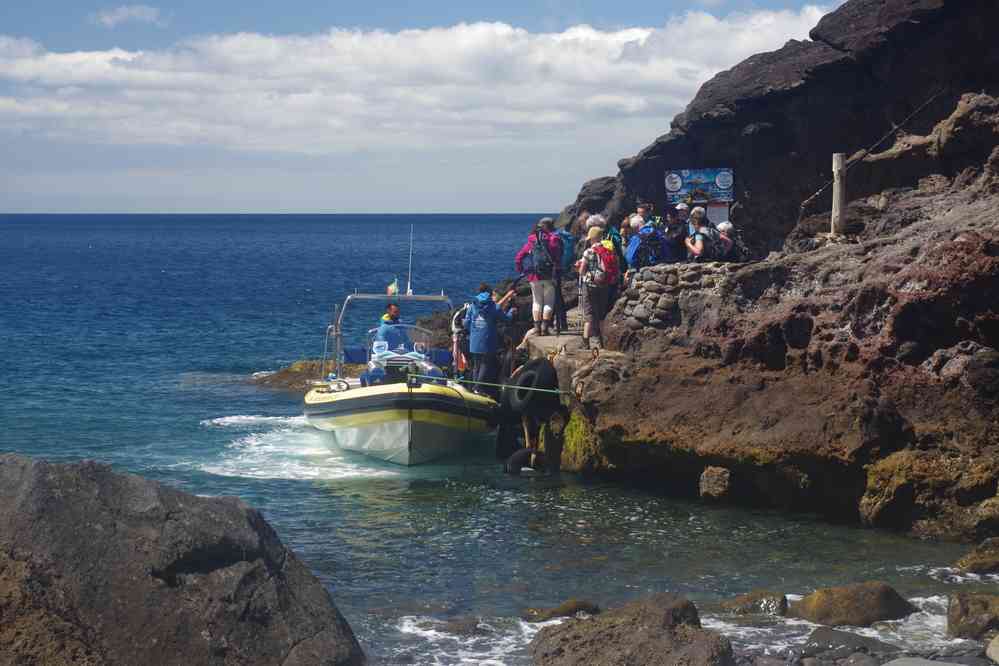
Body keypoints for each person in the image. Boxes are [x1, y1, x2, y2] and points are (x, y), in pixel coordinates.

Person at [464, 283, 515, 396]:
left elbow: (466, 323)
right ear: (490, 294)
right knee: (485, 364)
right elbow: (506, 319)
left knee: (476, 365)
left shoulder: (472, 306)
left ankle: (473, 388)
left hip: (474, 340)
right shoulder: (494, 307)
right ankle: (477, 388)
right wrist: (511, 312)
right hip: (487, 340)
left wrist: (473, 330)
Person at [515, 217, 563, 336]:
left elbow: (518, 258)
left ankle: (536, 329)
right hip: (549, 276)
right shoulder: (553, 240)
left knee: (536, 302)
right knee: (548, 302)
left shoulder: (531, 241)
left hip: (534, 276)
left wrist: (522, 271)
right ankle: (545, 328)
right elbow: (558, 258)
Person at [576, 226, 618, 350]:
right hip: (604, 285)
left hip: (590, 286)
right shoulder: (608, 249)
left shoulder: (589, 251)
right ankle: (601, 342)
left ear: (592, 238)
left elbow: (582, 271)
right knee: (601, 314)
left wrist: (579, 267)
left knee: (589, 314)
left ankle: (585, 343)